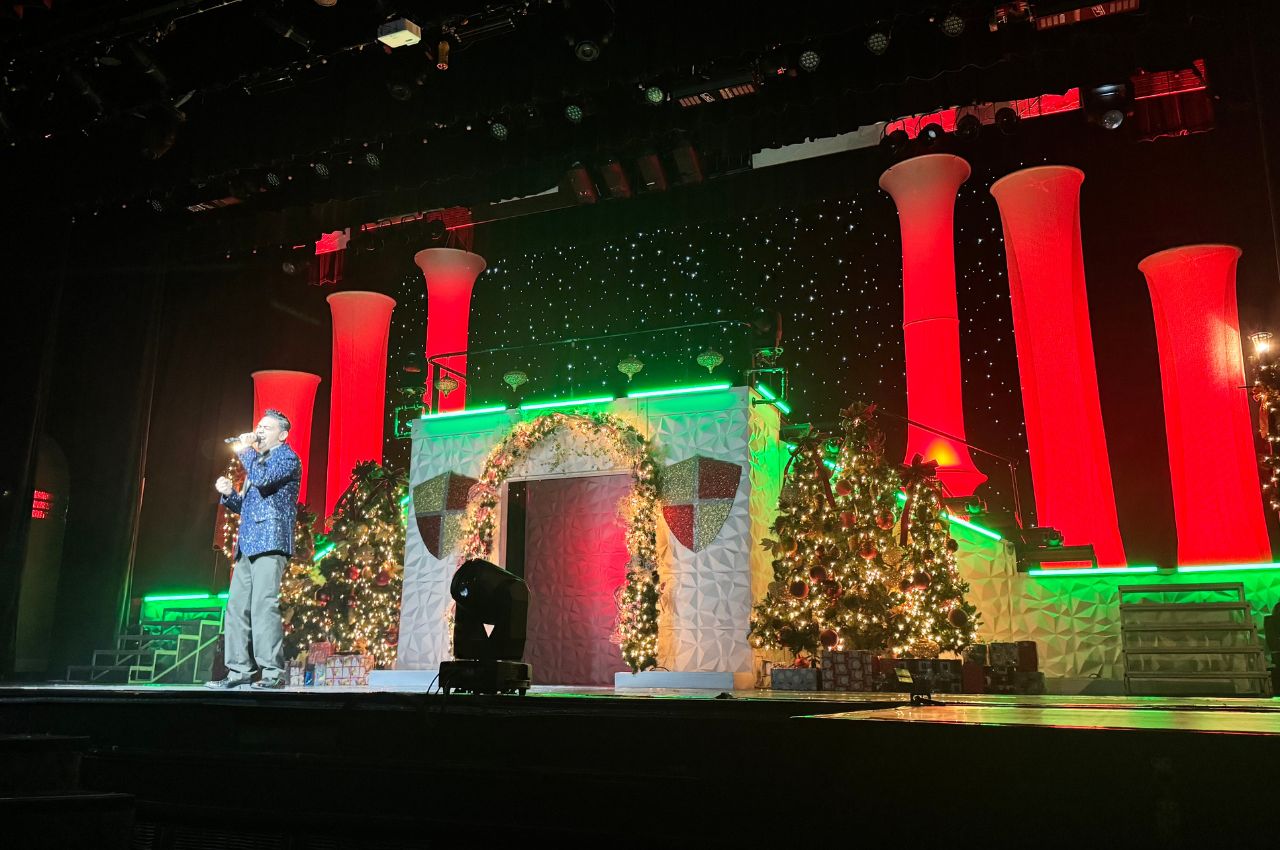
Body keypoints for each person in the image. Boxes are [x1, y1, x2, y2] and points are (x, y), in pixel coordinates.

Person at [205, 409, 302, 690]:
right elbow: (246, 506)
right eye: (258, 425)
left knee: (263, 605)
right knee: (236, 608)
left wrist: (246, 450)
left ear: (282, 435)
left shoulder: (287, 458)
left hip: (271, 540)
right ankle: (238, 672)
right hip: (247, 543)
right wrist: (229, 495)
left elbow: (263, 480)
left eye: (267, 427)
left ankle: (272, 673)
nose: (259, 430)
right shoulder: (257, 461)